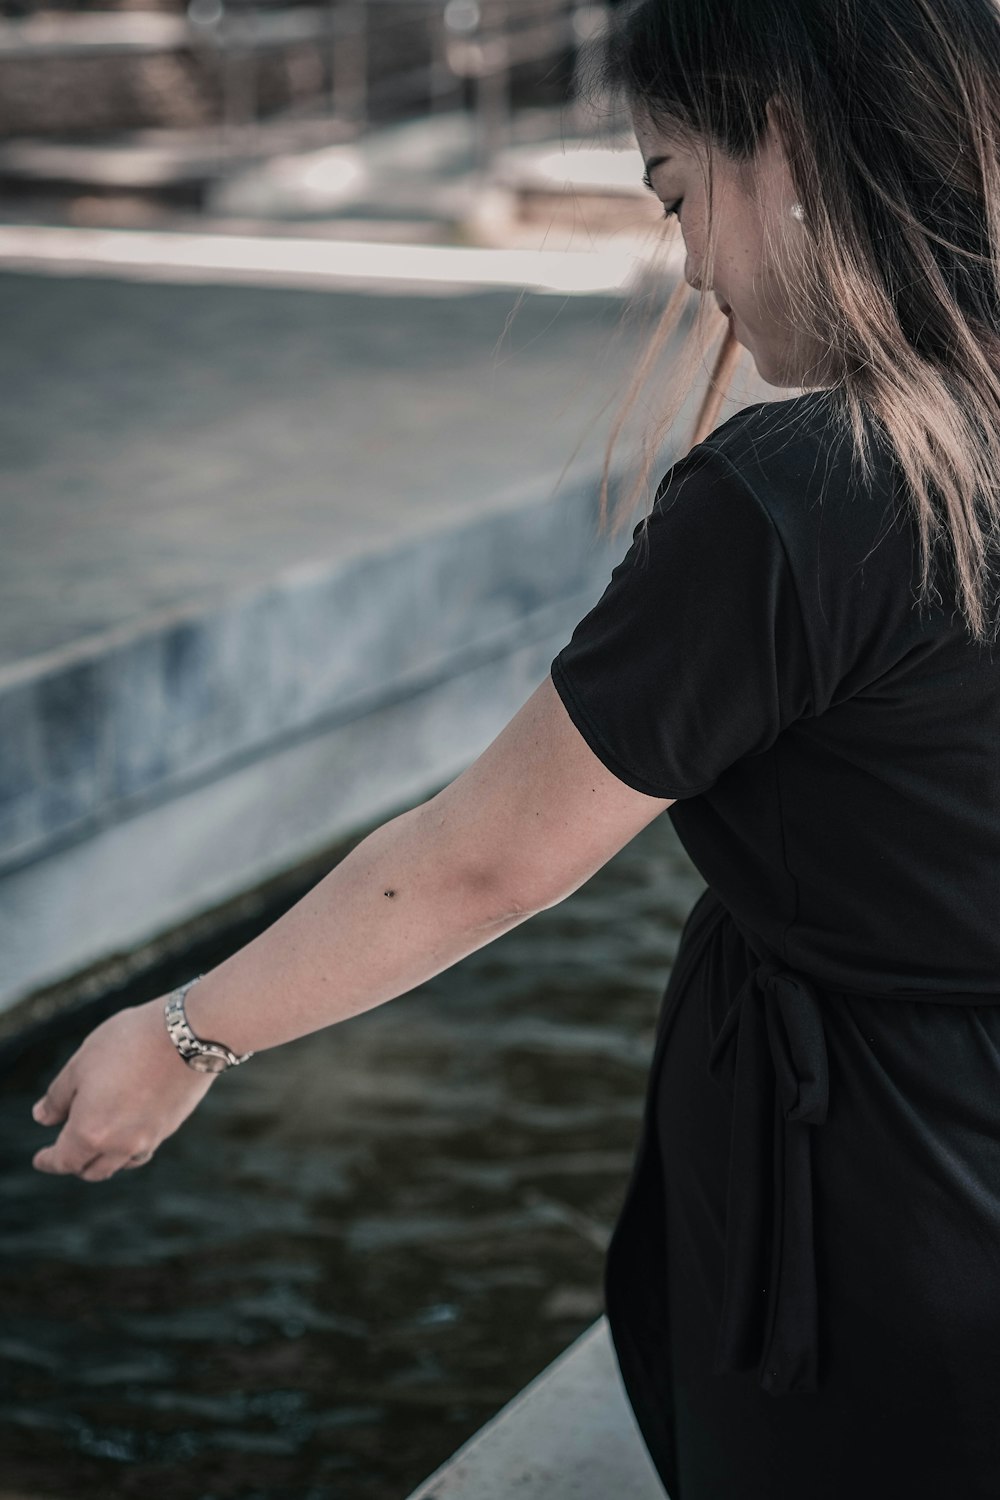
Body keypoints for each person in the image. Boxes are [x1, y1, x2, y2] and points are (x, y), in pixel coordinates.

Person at [28, 0, 1000, 1495]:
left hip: (884, 1211)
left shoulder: (811, 494)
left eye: (676, 192)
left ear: (784, 143)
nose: (694, 272)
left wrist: (184, 1035)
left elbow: (483, 861)